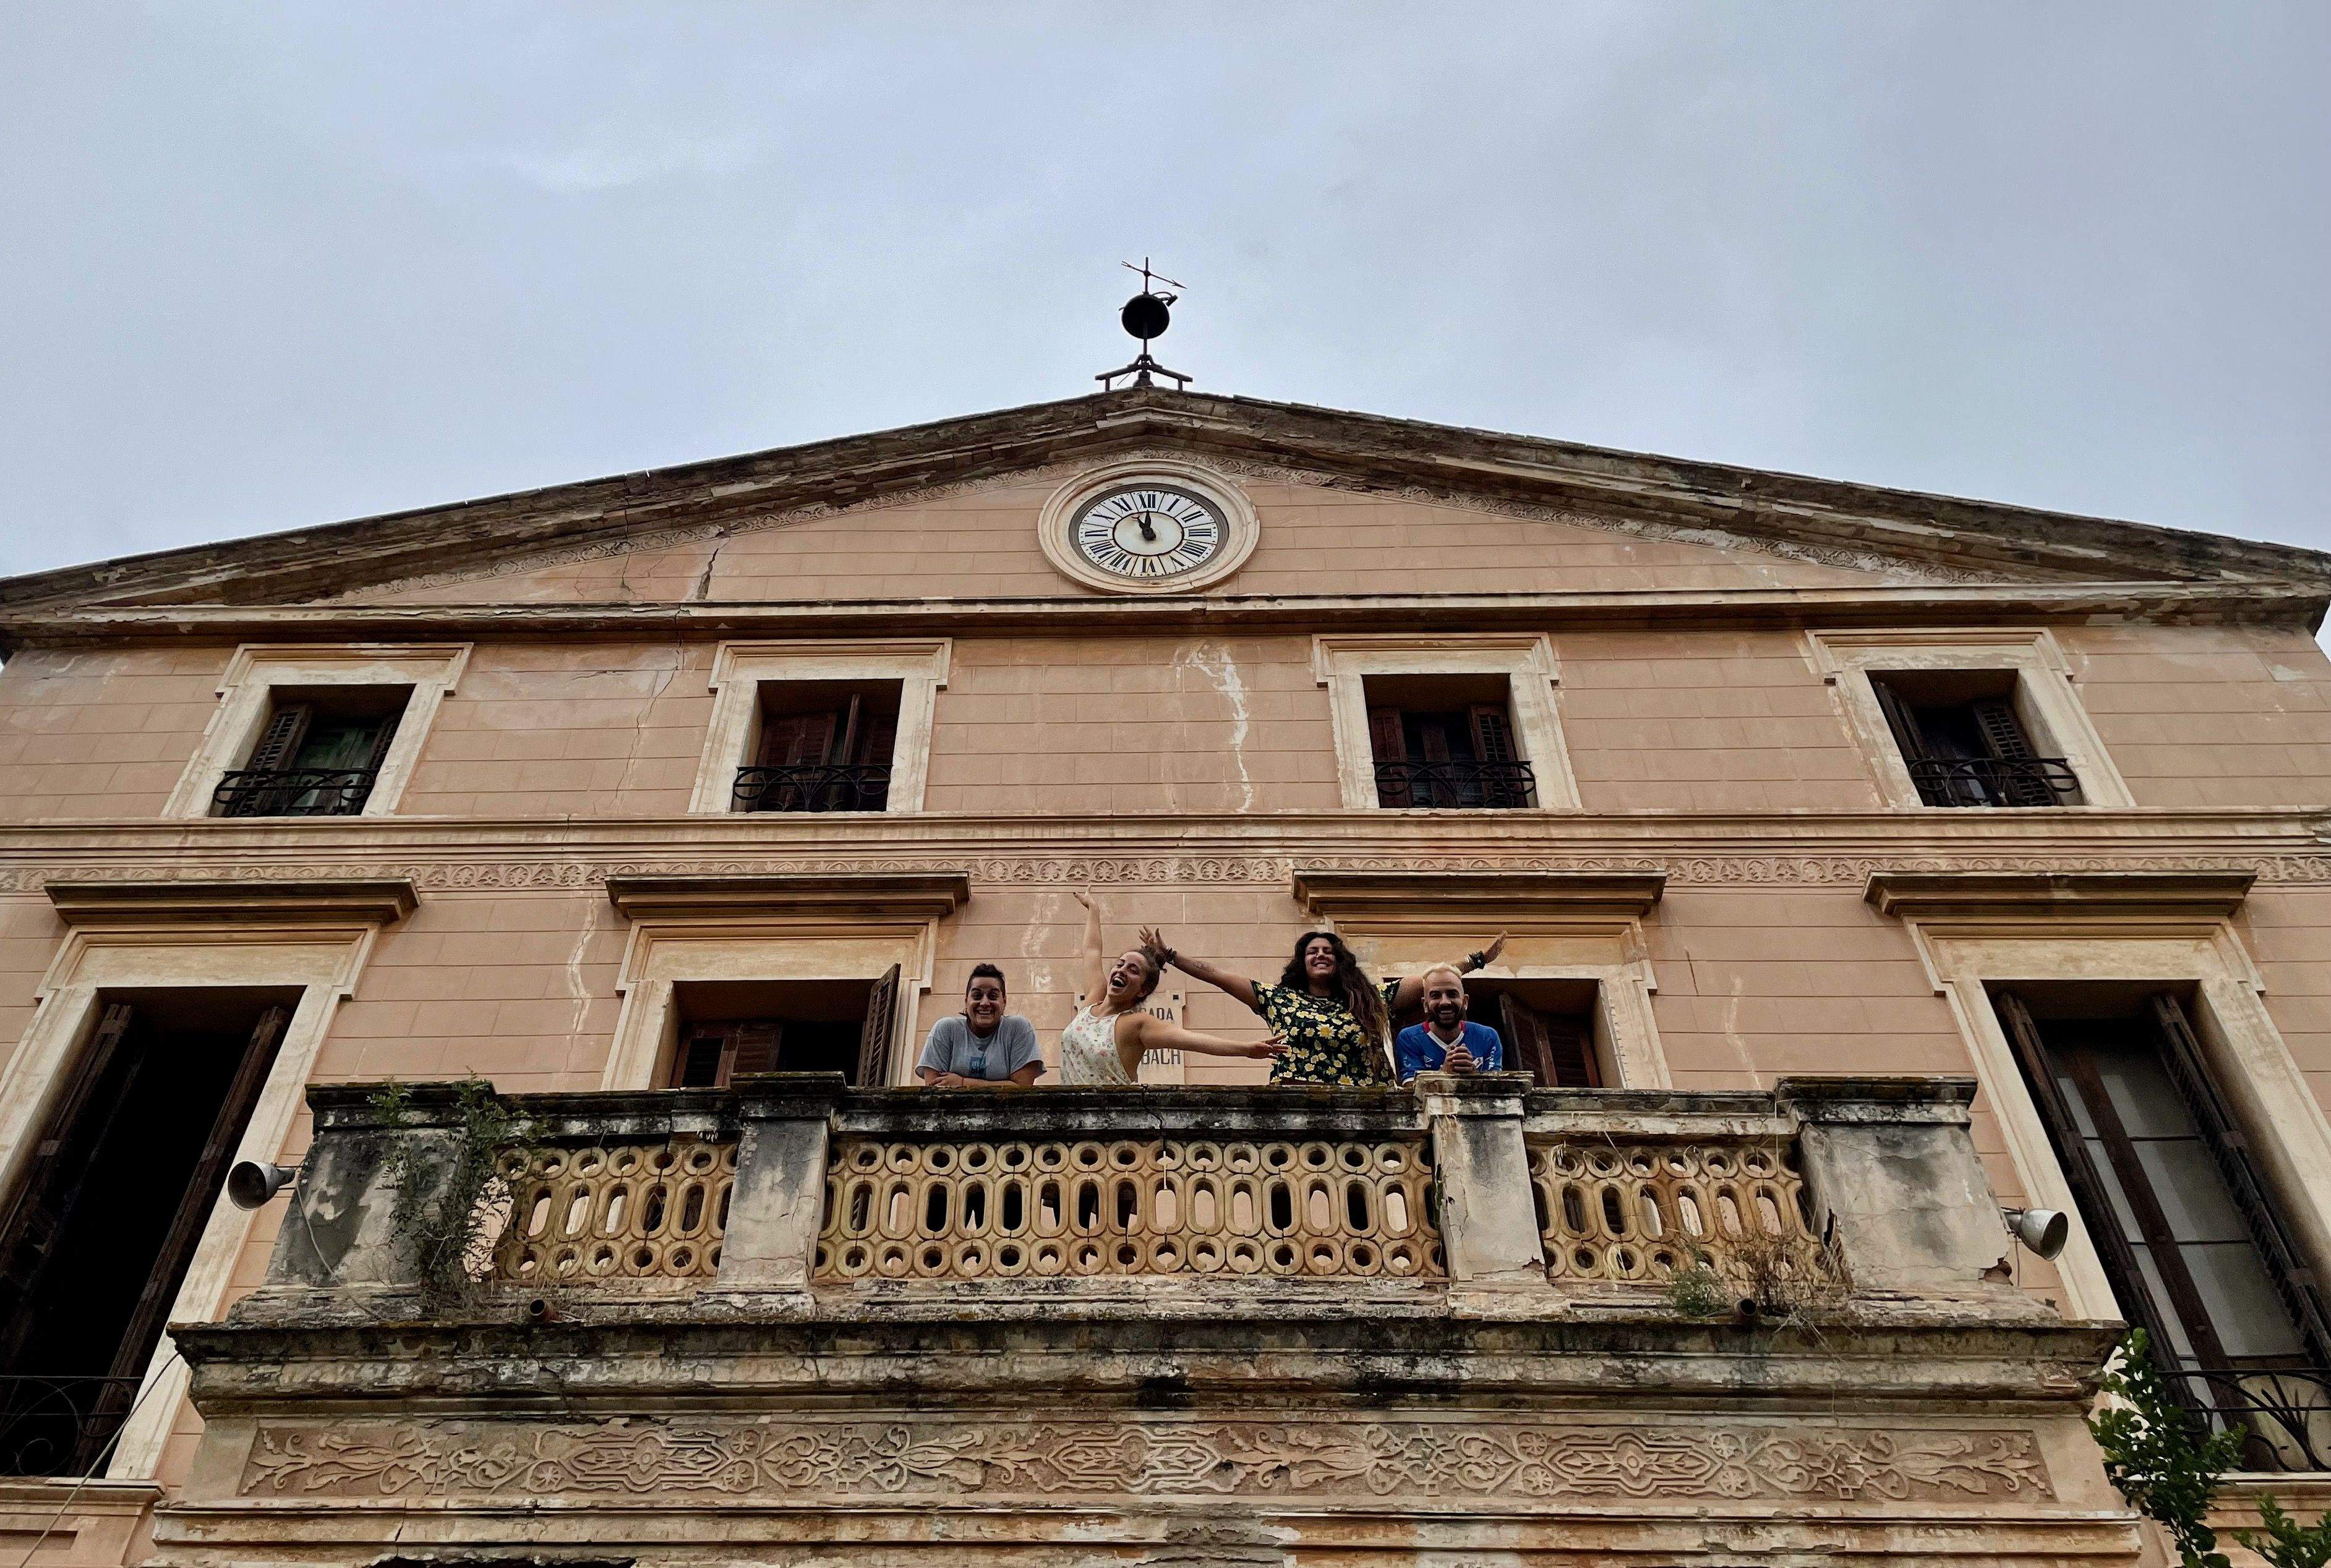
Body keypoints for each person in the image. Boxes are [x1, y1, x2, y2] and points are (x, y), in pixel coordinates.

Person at [1138, 926, 1509, 1087]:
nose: (1320, 955)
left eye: (1328, 951)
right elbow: (1217, 975)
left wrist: (1476, 960)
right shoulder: (1278, 999)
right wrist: (1171, 956)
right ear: (1302, 962)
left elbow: (1433, 980)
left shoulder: (1370, 999)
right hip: (1295, 1104)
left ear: (1339, 960)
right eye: (1312, 951)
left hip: (1362, 1109)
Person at [1059, 889, 1287, 1084]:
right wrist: (1094, 910)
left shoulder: (1137, 1024)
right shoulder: (1091, 1002)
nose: (1122, 970)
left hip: (1108, 1118)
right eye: (1120, 964)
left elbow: (1192, 1040)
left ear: (1142, 990)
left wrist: (1246, 1049)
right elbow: (1092, 951)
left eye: (1133, 970)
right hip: (1068, 1115)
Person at [917, 963, 1043, 1088]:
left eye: (993, 996)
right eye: (977, 996)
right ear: (966, 1001)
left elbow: (1022, 1088)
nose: (985, 1003)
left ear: (1004, 1001)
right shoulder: (945, 1030)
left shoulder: (1018, 1029)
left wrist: (963, 1083)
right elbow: (934, 1088)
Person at [1394, 965, 1506, 1083]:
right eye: (1436, 996)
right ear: (1425, 1004)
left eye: (1452, 994)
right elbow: (1411, 1088)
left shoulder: (1487, 1037)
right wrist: (1444, 1074)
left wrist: (1473, 1076)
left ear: (1465, 1002)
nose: (1445, 1002)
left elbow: (1496, 1087)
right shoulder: (1409, 1039)